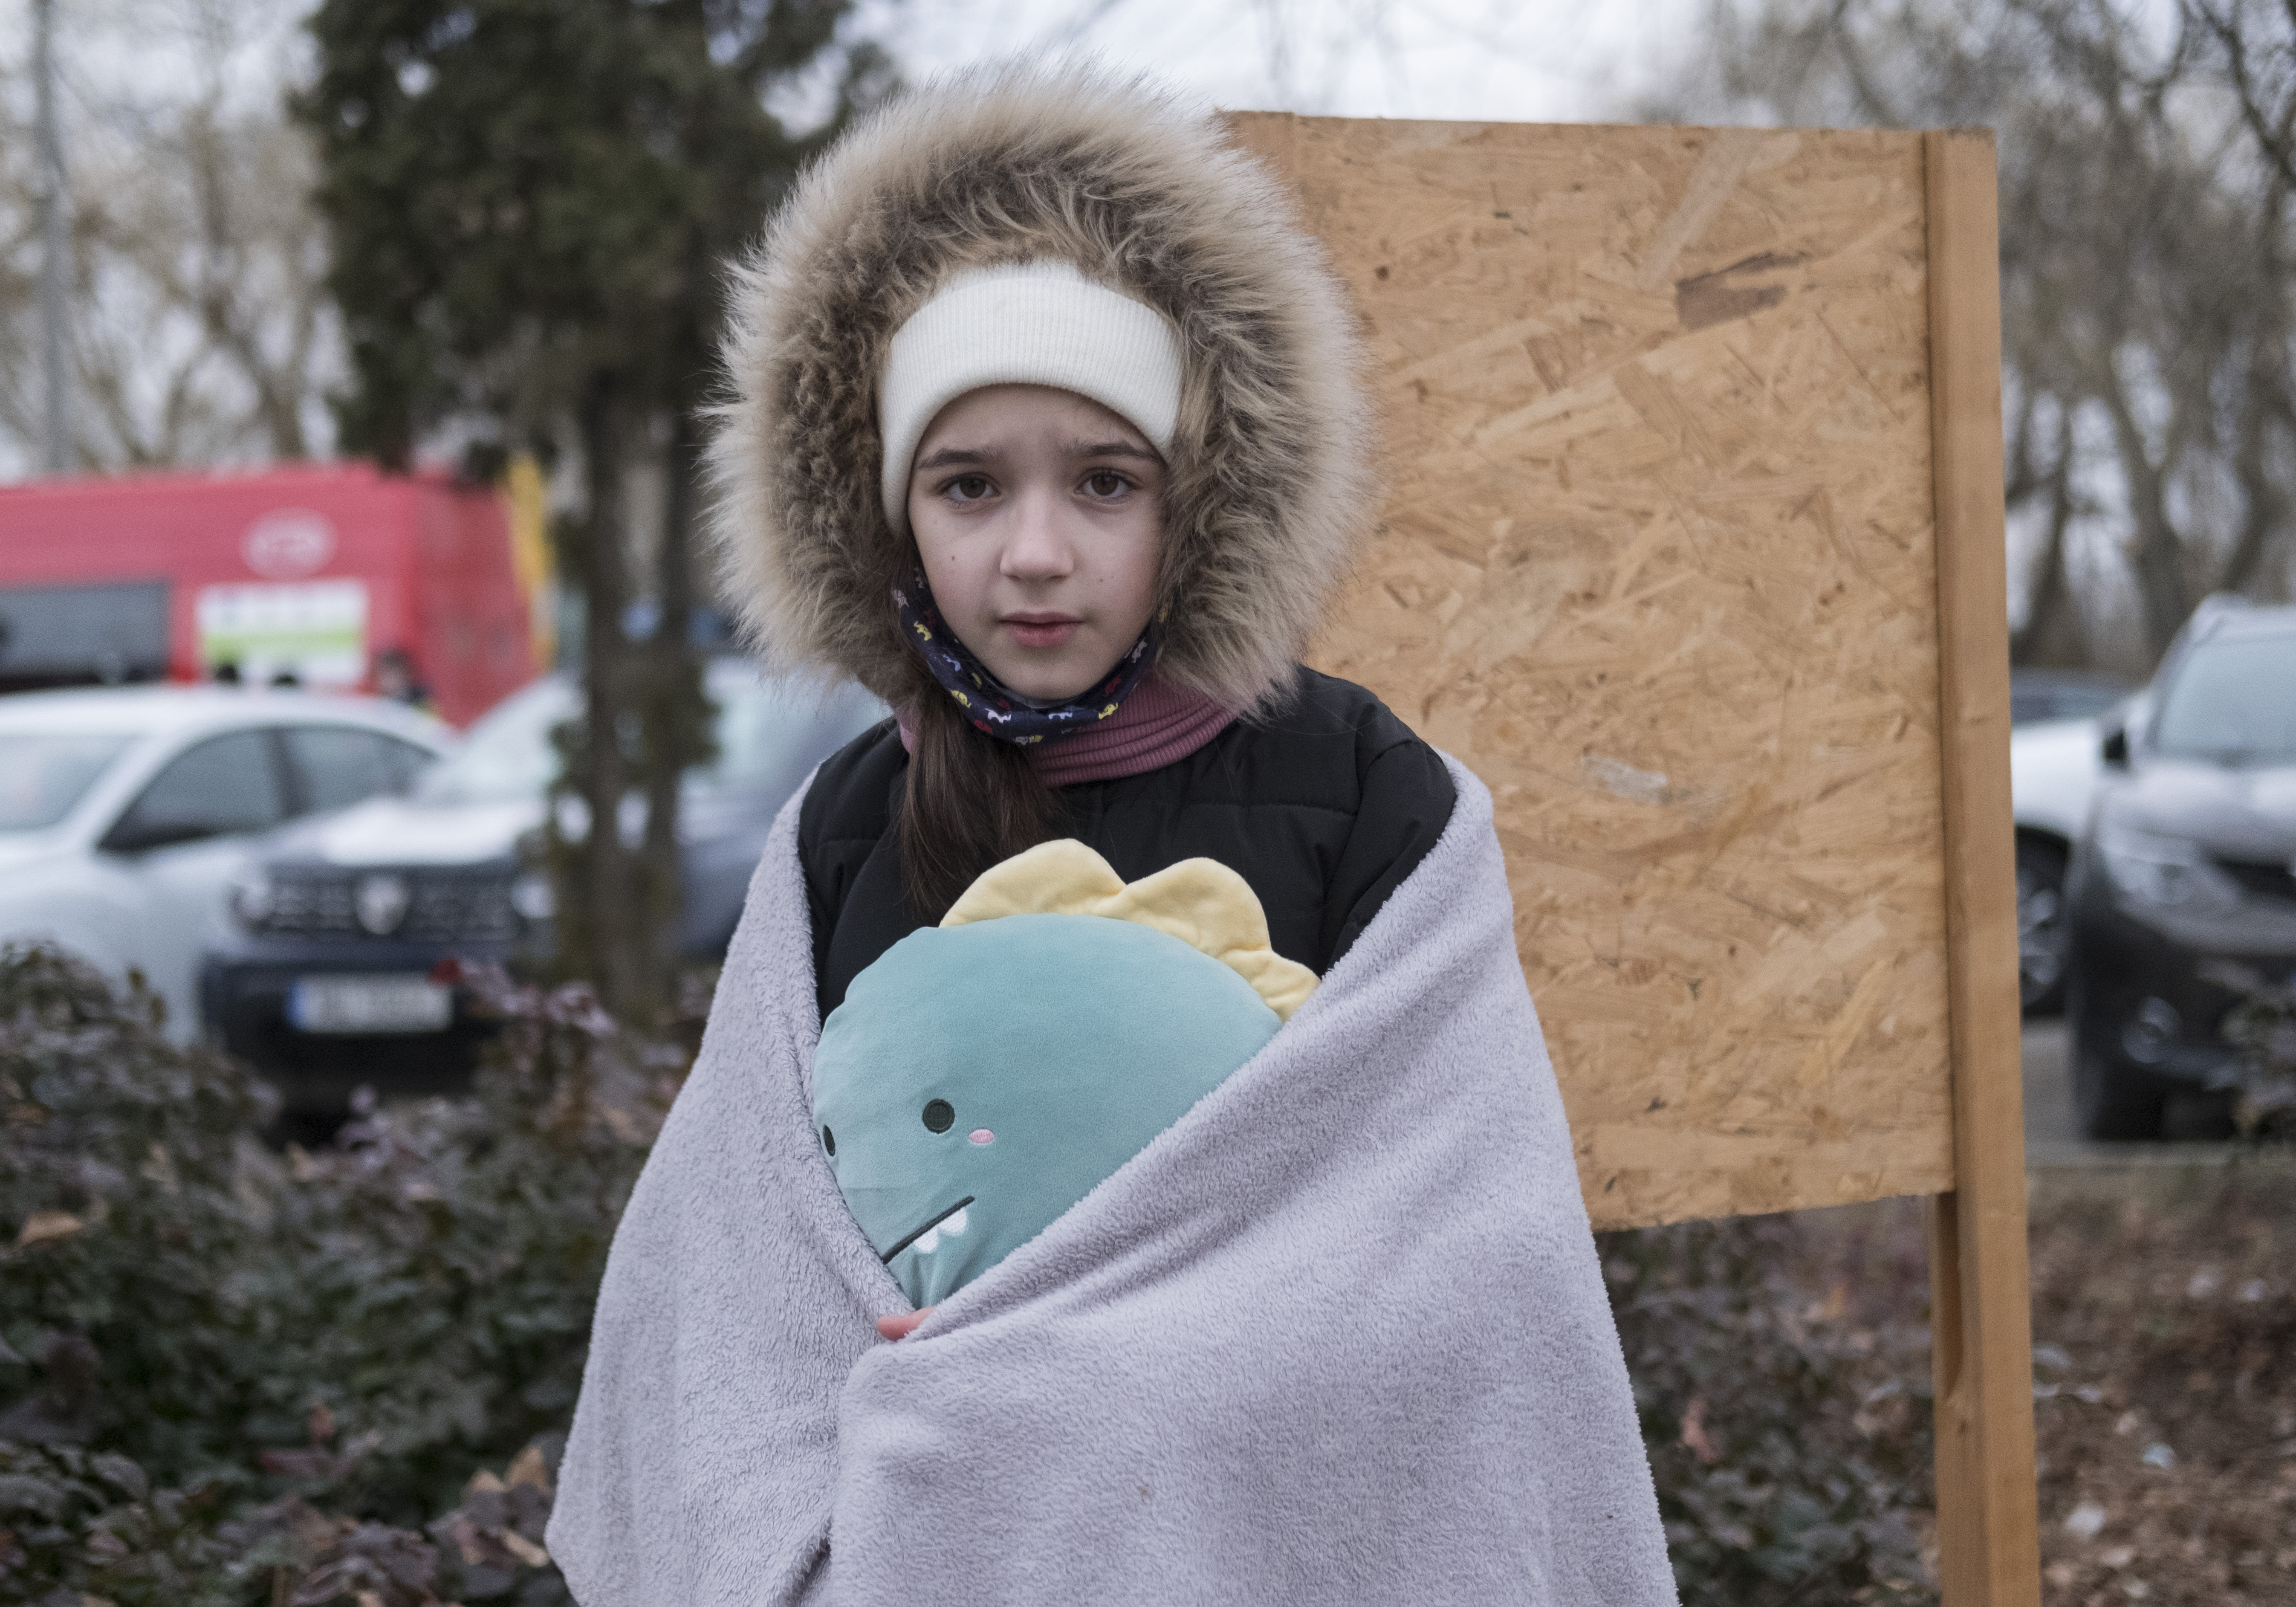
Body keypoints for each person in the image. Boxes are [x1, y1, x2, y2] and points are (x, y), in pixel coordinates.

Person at [550, 64, 1675, 1606]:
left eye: (1102, 482)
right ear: (891, 521)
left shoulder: (1370, 797)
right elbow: (738, 1279)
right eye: (967, 485)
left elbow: (1464, 1275)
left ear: (1193, 503)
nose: (1034, 552)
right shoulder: (842, 830)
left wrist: (1080, 1378)